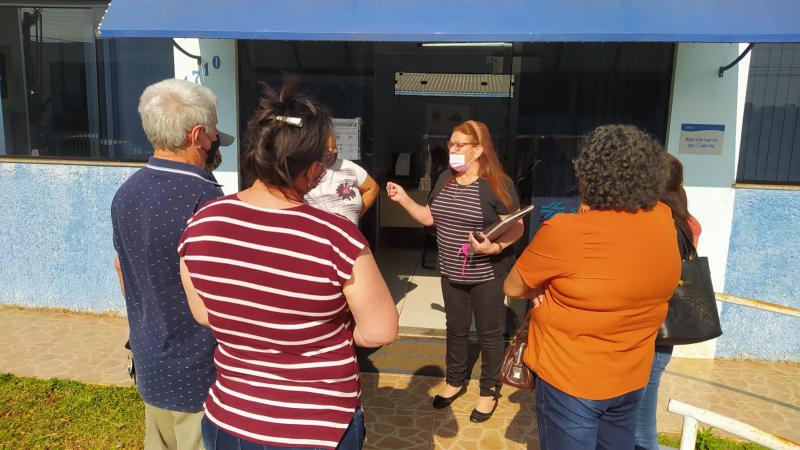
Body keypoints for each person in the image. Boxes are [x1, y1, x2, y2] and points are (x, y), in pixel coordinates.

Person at [177, 80, 399, 450]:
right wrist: (327, 337)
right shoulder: (336, 236)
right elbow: (380, 330)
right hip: (317, 427)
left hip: (229, 420)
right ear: (312, 170)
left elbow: (203, 313)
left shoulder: (202, 222)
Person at [504, 124, 681, 449]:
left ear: (589, 174)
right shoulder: (664, 220)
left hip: (570, 379)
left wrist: (542, 288)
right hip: (630, 376)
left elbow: (513, 286)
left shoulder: (566, 231)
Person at [112, 78, 233, 450]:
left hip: (150, 363)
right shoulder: (207, 201)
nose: (216, 143)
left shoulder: (126, 193)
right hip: (202, 373)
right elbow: (224, 293)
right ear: (197, 135)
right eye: (213, 134)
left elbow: (122, 268)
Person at [386, 120, 523, 423]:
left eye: (460, 145)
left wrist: (496, 248)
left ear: (478, 150)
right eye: (451, 143)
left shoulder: (496, 183)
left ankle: (488, 391)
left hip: (487, 273)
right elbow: (428, 217)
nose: (452, 149)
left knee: (489, 333)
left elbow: (517, 226)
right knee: (456, 328)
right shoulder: (445, 177)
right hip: (451, 271)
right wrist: (403, 199)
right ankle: (455, 381)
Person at [634, 153, 701, 450]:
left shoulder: (652, 222)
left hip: (647, 329)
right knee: (638, 411)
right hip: (666, 330)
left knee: (640, 419)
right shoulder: (687, 222)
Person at [304, 134, 379, 224]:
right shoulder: (304, 171)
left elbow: (372, 188)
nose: (334, 152)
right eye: (328, 150)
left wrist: (355, 214)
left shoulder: (349, 167)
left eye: (335, 148)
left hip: (348, 234)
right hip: (317, 235)